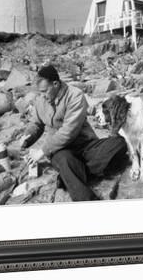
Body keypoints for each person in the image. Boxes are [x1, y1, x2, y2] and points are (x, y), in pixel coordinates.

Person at [19, 65, 127, 201]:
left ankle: (72, 174)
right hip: (61, 150)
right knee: (64, 160)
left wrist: (41, 152)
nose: (42, 96)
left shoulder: (75, 95)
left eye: (45, 91)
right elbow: (36, 123)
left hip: (85, 145)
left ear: (56, 84)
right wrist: (28, 136)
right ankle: (88, 200)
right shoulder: (41, 100)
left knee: (119, 143)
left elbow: (68, 131)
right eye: (40, 92)